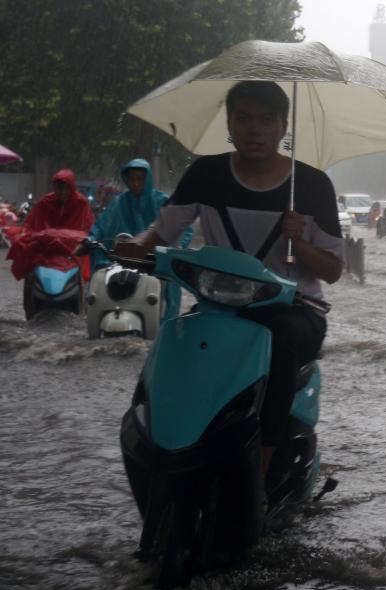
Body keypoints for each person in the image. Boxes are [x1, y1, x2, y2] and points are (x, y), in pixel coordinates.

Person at [116, 80, 344, 481]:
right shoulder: (206, 174)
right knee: (176, 337)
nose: (254, 129)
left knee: (278, 340)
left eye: (266, 120)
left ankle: (262, 467)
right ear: (230, 124)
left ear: (283, 127)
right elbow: (161, 233)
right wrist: (131, 248)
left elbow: (334, 270)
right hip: (220, 308)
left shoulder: (310, 185)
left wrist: (300, 244)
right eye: (244, 119)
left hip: (297, 311)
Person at [74, 158, 192, 320]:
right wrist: (89, 241)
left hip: (155, 261)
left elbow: (183, 228)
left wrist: (174, 249)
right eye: (132, 179)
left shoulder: (161, 201)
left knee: (168, 284)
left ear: (148, 179)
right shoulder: (119, 203)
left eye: (140, 179)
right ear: (126, 180)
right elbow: (101, 226)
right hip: (123, 260)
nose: (136, 184)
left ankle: (166, 324)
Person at [6, 170, 95, 281]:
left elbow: (89, 226)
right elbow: (30, 223)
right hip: (47, 246)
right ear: (54, 188)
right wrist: (28, 234)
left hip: (72, 248)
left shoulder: (81, 203)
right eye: (59, 188)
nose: (62, 192)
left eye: (66, 188)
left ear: (71, 188)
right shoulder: (45, 202)